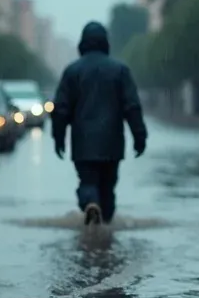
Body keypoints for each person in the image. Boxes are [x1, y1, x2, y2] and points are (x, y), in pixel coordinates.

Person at [51, 21, 147, 226]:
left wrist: (58, 137)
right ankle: (105, 229)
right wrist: (140, 136)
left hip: (83, 144)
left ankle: (90, 205)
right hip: (112, 143)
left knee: (87, 182)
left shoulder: (72, 72)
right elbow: (132, 107)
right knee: (108, 188)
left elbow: (60, 109)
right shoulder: (120, 70)